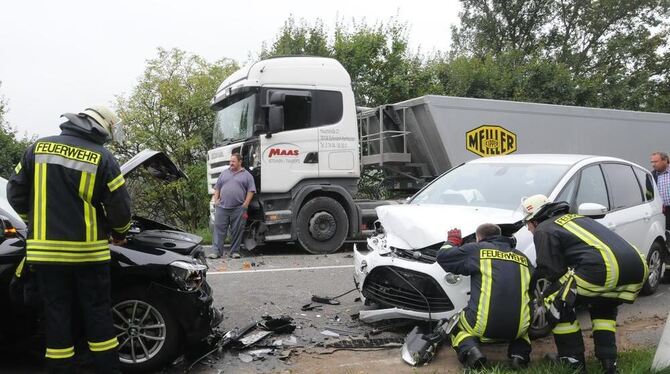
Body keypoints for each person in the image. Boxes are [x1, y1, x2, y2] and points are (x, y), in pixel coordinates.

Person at [7, 106, 131, 373]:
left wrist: (34, 221)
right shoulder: (103, 158)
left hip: (46, 256)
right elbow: (120, 208)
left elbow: (15, 193)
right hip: (88, 255)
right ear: (101, 129)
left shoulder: (37, 149)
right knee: (98, 314)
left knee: (56, 316)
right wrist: (120, 232)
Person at [522, 194, 648, 374]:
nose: (528, 228)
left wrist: (533, 289)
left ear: (535, 220)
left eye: (528, 223)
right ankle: (609, 363)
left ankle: (573, 363)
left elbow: (550, 270)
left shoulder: (544, 229)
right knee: (603, 307)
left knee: (555, 300)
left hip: (602, 270)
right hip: (637, 267)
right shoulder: (577, 219)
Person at [436, 223, 532, 370]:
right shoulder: (523, 257)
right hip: (517, 327)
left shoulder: (477, 250)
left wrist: (452, 241)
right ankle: (519, 357)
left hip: (482, 326)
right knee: (523, 331)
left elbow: (443, 257)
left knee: (455, 326)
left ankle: (471, 353)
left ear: (478, 238)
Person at [209, 153, 256, 259]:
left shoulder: (247, 175)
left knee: (237, 231)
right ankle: (216, 252)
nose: (231, 163)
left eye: (233, 161)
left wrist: (245, 204)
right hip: (222, 207)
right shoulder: (224, 173)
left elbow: (251, 190)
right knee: (219, 229)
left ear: (240, 162)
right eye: (230, 161)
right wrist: (216, 201)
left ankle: (234, 251)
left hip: (238, 208)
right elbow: (217, 188)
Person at [650, 151, 670, 230]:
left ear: (665, 160)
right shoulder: (651, 176)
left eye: (656, 162)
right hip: (662, 211)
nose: (653, 164)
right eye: (652, 162)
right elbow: (649, 194)